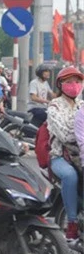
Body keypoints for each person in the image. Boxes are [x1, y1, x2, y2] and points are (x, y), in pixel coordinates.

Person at [47, 66, 83, 242]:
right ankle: (72, 222)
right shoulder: (55, 107)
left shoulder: (82, 105)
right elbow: (65, 135)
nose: (74, 85)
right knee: (70, 176)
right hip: (61, 157)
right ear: (60, 85)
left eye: (77, 81)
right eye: (69, 82)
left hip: (81, 154)